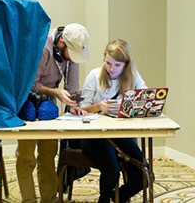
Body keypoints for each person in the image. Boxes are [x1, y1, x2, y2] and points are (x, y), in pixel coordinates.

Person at [15, 23, 89, 203]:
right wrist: (56, 92)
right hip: (27, 101)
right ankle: (28, 200)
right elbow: (32, 83)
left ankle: (50, 198)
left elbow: (72, 82)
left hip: (49, 103)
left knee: (48, 154)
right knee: (26, 157)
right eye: (70, 55)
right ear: (61, 42)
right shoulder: (43, 47)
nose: (72, 59)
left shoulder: (72, 46)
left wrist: (74, 102)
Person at [79, 39, 148, 203]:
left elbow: (146, 100)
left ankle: (115, 198)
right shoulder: (95, 75)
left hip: (121, 134)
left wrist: (127, 107)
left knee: (144, 176)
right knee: (112, 171)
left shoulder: (133, 76)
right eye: (108, 63)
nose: (111, 69)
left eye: (117, 65)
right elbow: (81, 109)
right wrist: (98, 107)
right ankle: (104, 200)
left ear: (126, 64)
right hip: (94, 136)